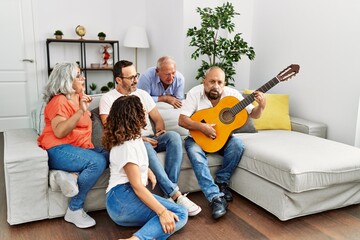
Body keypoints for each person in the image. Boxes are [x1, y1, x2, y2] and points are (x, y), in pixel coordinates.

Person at [99, 60, 201, 216]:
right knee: (144, 146)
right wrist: (140, 139)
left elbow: (158, 119)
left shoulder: (142, 94)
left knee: (173, 136)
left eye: (136, 76)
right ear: (118, 80)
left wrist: (160, 131)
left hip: (151, 137)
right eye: (131, 77)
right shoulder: (108, 98)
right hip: (130, 140)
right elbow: (110, 128)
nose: (136, 80)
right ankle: (175, 194)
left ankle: (169, 190)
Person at [178, 66, 266, 219]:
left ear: (224, 84)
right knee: (196, 156)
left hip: (222, 139)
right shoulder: (194, 93)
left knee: (238, 145)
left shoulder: (232, 95)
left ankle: (221, 181)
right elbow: (182, 120)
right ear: (204, 81)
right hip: (197, 139)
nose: (216, 86)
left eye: (219, 82)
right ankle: (215, 198)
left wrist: (262, 106)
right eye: (212, 81)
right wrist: (202, 127)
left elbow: (254, 114)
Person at [103, 95, 188, 240]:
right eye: (143, 111)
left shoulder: (133, 138)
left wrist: (147, 170)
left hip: (122, 199)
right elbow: (137, 187)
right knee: (180, 213)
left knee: (172, 212)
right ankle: (137, 239)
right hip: (122, 199)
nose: (146, 114)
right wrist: (162, 212)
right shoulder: (127, 146)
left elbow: (133, 163)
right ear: (134, 117)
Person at [37, 62, 108, 228]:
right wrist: (81, 111)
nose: (83, 77)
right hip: (57, 149)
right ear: (66, 80)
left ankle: (72, 176)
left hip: (77, 150)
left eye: (81, 74)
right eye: (78, 75)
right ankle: (74, 209)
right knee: (97, 161)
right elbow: (60, 132)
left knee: (110, 153)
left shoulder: (78, 96)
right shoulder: (59, 101)